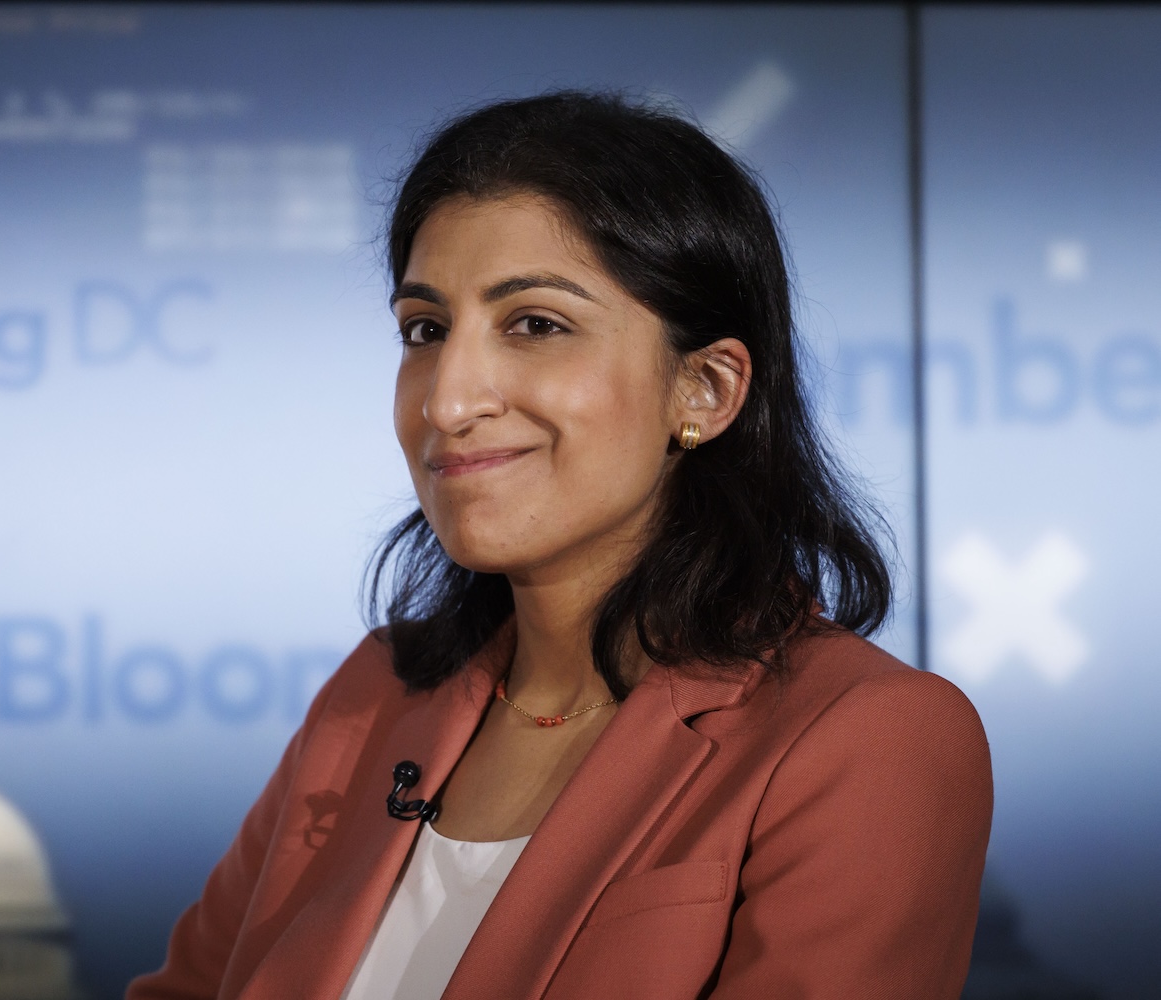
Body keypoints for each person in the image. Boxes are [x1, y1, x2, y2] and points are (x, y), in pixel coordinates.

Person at [128, 91, 993, 1000]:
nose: (447, 401)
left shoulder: (869, 740)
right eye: (425, 330)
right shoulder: (372, 694)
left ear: (704, 389)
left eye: (534, 324)